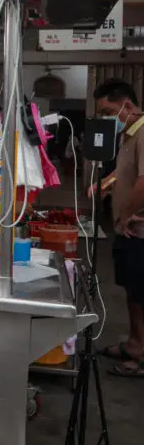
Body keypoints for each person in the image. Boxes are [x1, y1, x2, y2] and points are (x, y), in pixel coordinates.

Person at [93, 78, 144, 377]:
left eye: (109, 111)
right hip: (127, 230)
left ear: (127, 105)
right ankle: (135, 344)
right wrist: (104, 185)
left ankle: (140, 357)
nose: (106, 118)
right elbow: (123, 173)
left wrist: (126, 214)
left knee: (141, 293)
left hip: (138, 229)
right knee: (132, 291)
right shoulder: (128, 135)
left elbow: (142, 181)